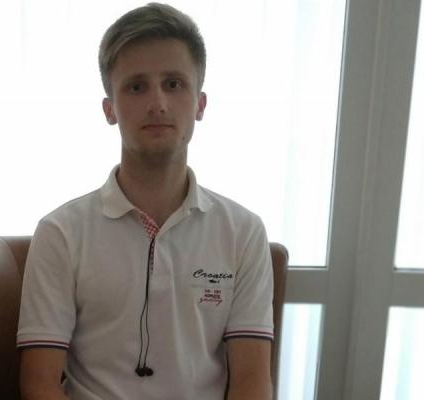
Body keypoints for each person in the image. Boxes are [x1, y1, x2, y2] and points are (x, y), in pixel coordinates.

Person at [16, 3, 274, 399]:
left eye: (174, 84)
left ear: (200, 104)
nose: (158, 103)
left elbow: (251, 383)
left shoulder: (243, 232)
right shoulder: (61, 233)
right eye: (136, 87)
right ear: (110, 109)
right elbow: (39, 385)